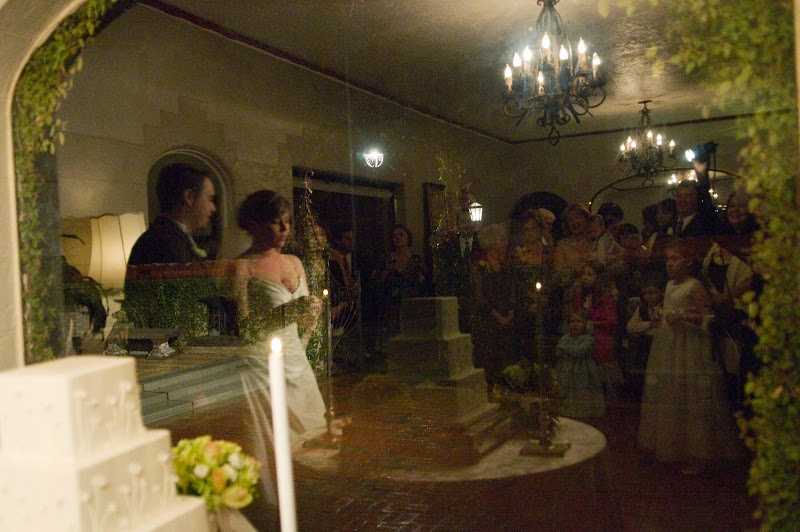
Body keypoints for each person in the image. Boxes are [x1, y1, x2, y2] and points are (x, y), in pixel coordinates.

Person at [233, 190, 327, 448]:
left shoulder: (294, 262)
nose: (286, 229)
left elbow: (305, 316)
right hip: (265, 364)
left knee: (314, 437)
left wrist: (312, 311)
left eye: (287, 222)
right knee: (278, 440)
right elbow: (245, 328)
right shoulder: (243, 266)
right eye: (276, 222)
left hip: (297, 359)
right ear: (254, 225)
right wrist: (288, 312)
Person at [638, 239, 742, 471]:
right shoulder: (669, 285)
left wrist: (683, 317)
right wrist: (662, 313)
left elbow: (708, 318)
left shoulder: (695, 286)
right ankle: (673, 448)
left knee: (691, 397)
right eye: (667, 259)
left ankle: (699, 454)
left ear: (689, 261)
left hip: (689, 347)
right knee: (670, 395)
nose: (669, 264)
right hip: (669, 345)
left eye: (675, 259)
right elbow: (670, 308)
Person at [127, 163, 216, 267]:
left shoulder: (171, 237)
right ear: (189, 197)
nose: (213, 208)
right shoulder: (161, 244)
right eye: (209, 199)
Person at [471, 223, 515, 395]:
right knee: (489, 359)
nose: (505, 243)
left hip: (506, 316)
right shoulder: (479, 266)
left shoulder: (505, 265)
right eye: (501, 240)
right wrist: (497, 315)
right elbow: (479, 297)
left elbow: (511, 290)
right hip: (487, 320)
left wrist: (509, 313)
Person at [571, 260, 623, 399]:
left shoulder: (605, 298)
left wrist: (592, 323)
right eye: (583, 274)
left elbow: (612, 321)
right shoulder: (580, 297)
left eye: (590, 274)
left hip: (600, 343)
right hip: (582, 341)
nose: (585, 277)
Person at [375, 224, 426, 337]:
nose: (397, 238)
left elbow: (423, 283)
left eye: (401, 235)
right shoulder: (386, 259)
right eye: (394, 236)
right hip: (390, 308)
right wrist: (388, 270)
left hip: (411, 306)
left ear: (408, 238)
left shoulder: (416, 261)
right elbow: (377, 282)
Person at [555, 308, 606, 419]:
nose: (575, 324)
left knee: (582, 393)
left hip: (583, 371)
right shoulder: (566, 338)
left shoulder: (588, 339)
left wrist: (564, 347)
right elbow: (558, 352)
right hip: (566, 370)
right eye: (572, 321)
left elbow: (579, 351)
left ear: (586, 324)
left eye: (579, 321)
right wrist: (565, 348)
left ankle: (583, 415)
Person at [433, 209, 478, 333]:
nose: (466, 225)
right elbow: (443, 276)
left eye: (468, 221)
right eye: (462, 222)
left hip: (478, 302)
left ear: (473, 223)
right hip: (457, 303)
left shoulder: (481, 243)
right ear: (457, 225)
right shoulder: (447, 248)